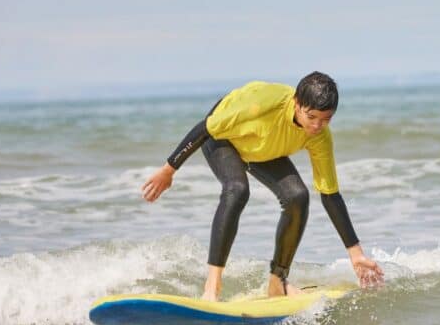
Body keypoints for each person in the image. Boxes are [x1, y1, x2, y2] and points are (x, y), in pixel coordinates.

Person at [141, 72, 384, 301]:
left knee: (297, 196)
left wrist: (356, 254)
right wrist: (169, 169)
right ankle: (212, 286)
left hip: (262, 147)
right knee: (237, 189)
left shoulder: (320, 135)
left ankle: (277, 282)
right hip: (223, 137)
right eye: (311, 117)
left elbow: (330, 195)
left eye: (326, 119)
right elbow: (205, 128)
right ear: (297, 103)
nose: (317, 126)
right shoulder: (261, 105)